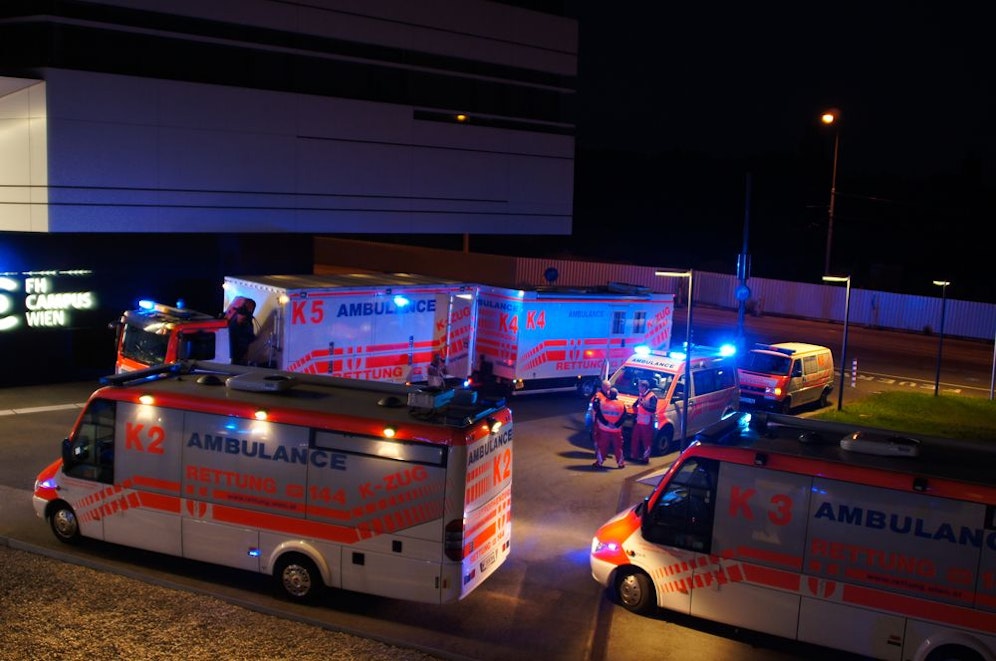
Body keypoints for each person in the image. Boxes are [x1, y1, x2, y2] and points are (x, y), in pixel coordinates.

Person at [593, 387, 626, 469]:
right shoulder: (621, 404)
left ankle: (599, 462)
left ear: (609, 394)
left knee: (602, 446)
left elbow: (599, 414)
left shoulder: (603, 402)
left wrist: (607, 423)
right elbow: (623, 417)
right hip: (616, 430)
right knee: (618, 447)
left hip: (604, 429)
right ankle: (620, 463)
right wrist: (616, 425)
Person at [630, 379, 657, 463]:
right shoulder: (641, 395)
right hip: (639, 421)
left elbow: (653, 409)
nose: (638, 388)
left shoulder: (652, 397)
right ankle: (634, 456)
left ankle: (645, 458)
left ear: (644, 387)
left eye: (639, 386)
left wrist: (643, 405)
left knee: (647, 441)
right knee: (635, 438)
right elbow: (635, 405)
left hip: (647, 422)